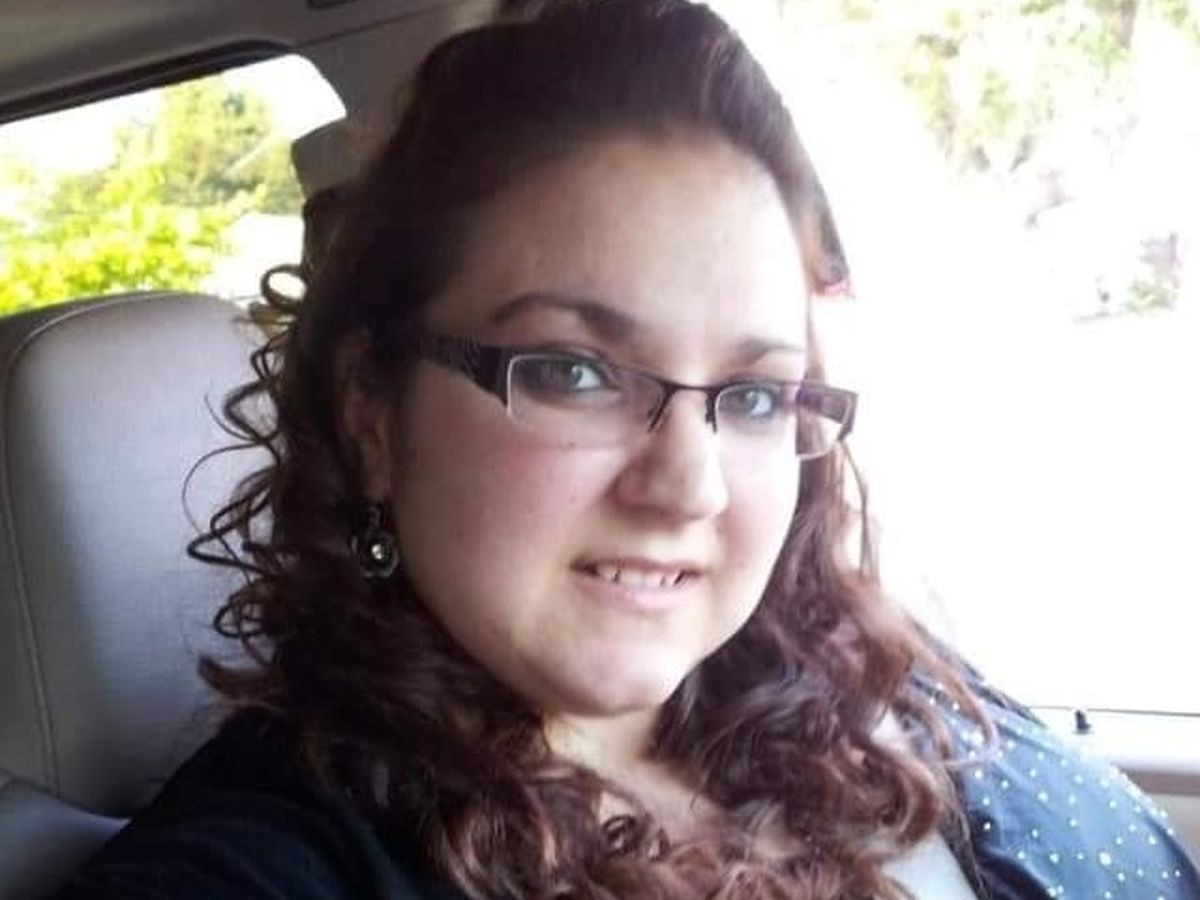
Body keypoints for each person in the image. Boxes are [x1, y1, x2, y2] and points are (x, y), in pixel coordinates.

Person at [54, 1, 1200, 898]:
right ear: (371, 415)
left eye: (756, 395)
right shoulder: (263, 862)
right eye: (574, 371)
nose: (688, 487)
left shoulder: (875, 707)